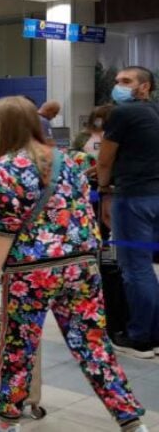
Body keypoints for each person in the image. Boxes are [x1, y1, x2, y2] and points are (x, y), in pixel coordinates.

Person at [0, 96, 145, 432]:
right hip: (82, 266)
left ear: (5, 125)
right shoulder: (72, 160)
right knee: (94, 345)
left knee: (19, 346)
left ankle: (7, 422)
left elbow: (5, 230)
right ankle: (130, 419)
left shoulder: (3, 168)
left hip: (32, 272)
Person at [97, 66, 159, 359]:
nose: (117, 86)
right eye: (117, 80)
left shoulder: (122, 114)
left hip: (134, 197)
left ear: (145, 87)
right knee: (146, 266)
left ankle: (141, 337)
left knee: (136, 267)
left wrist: (104, 191)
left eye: (126, 81)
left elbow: (105, 161)